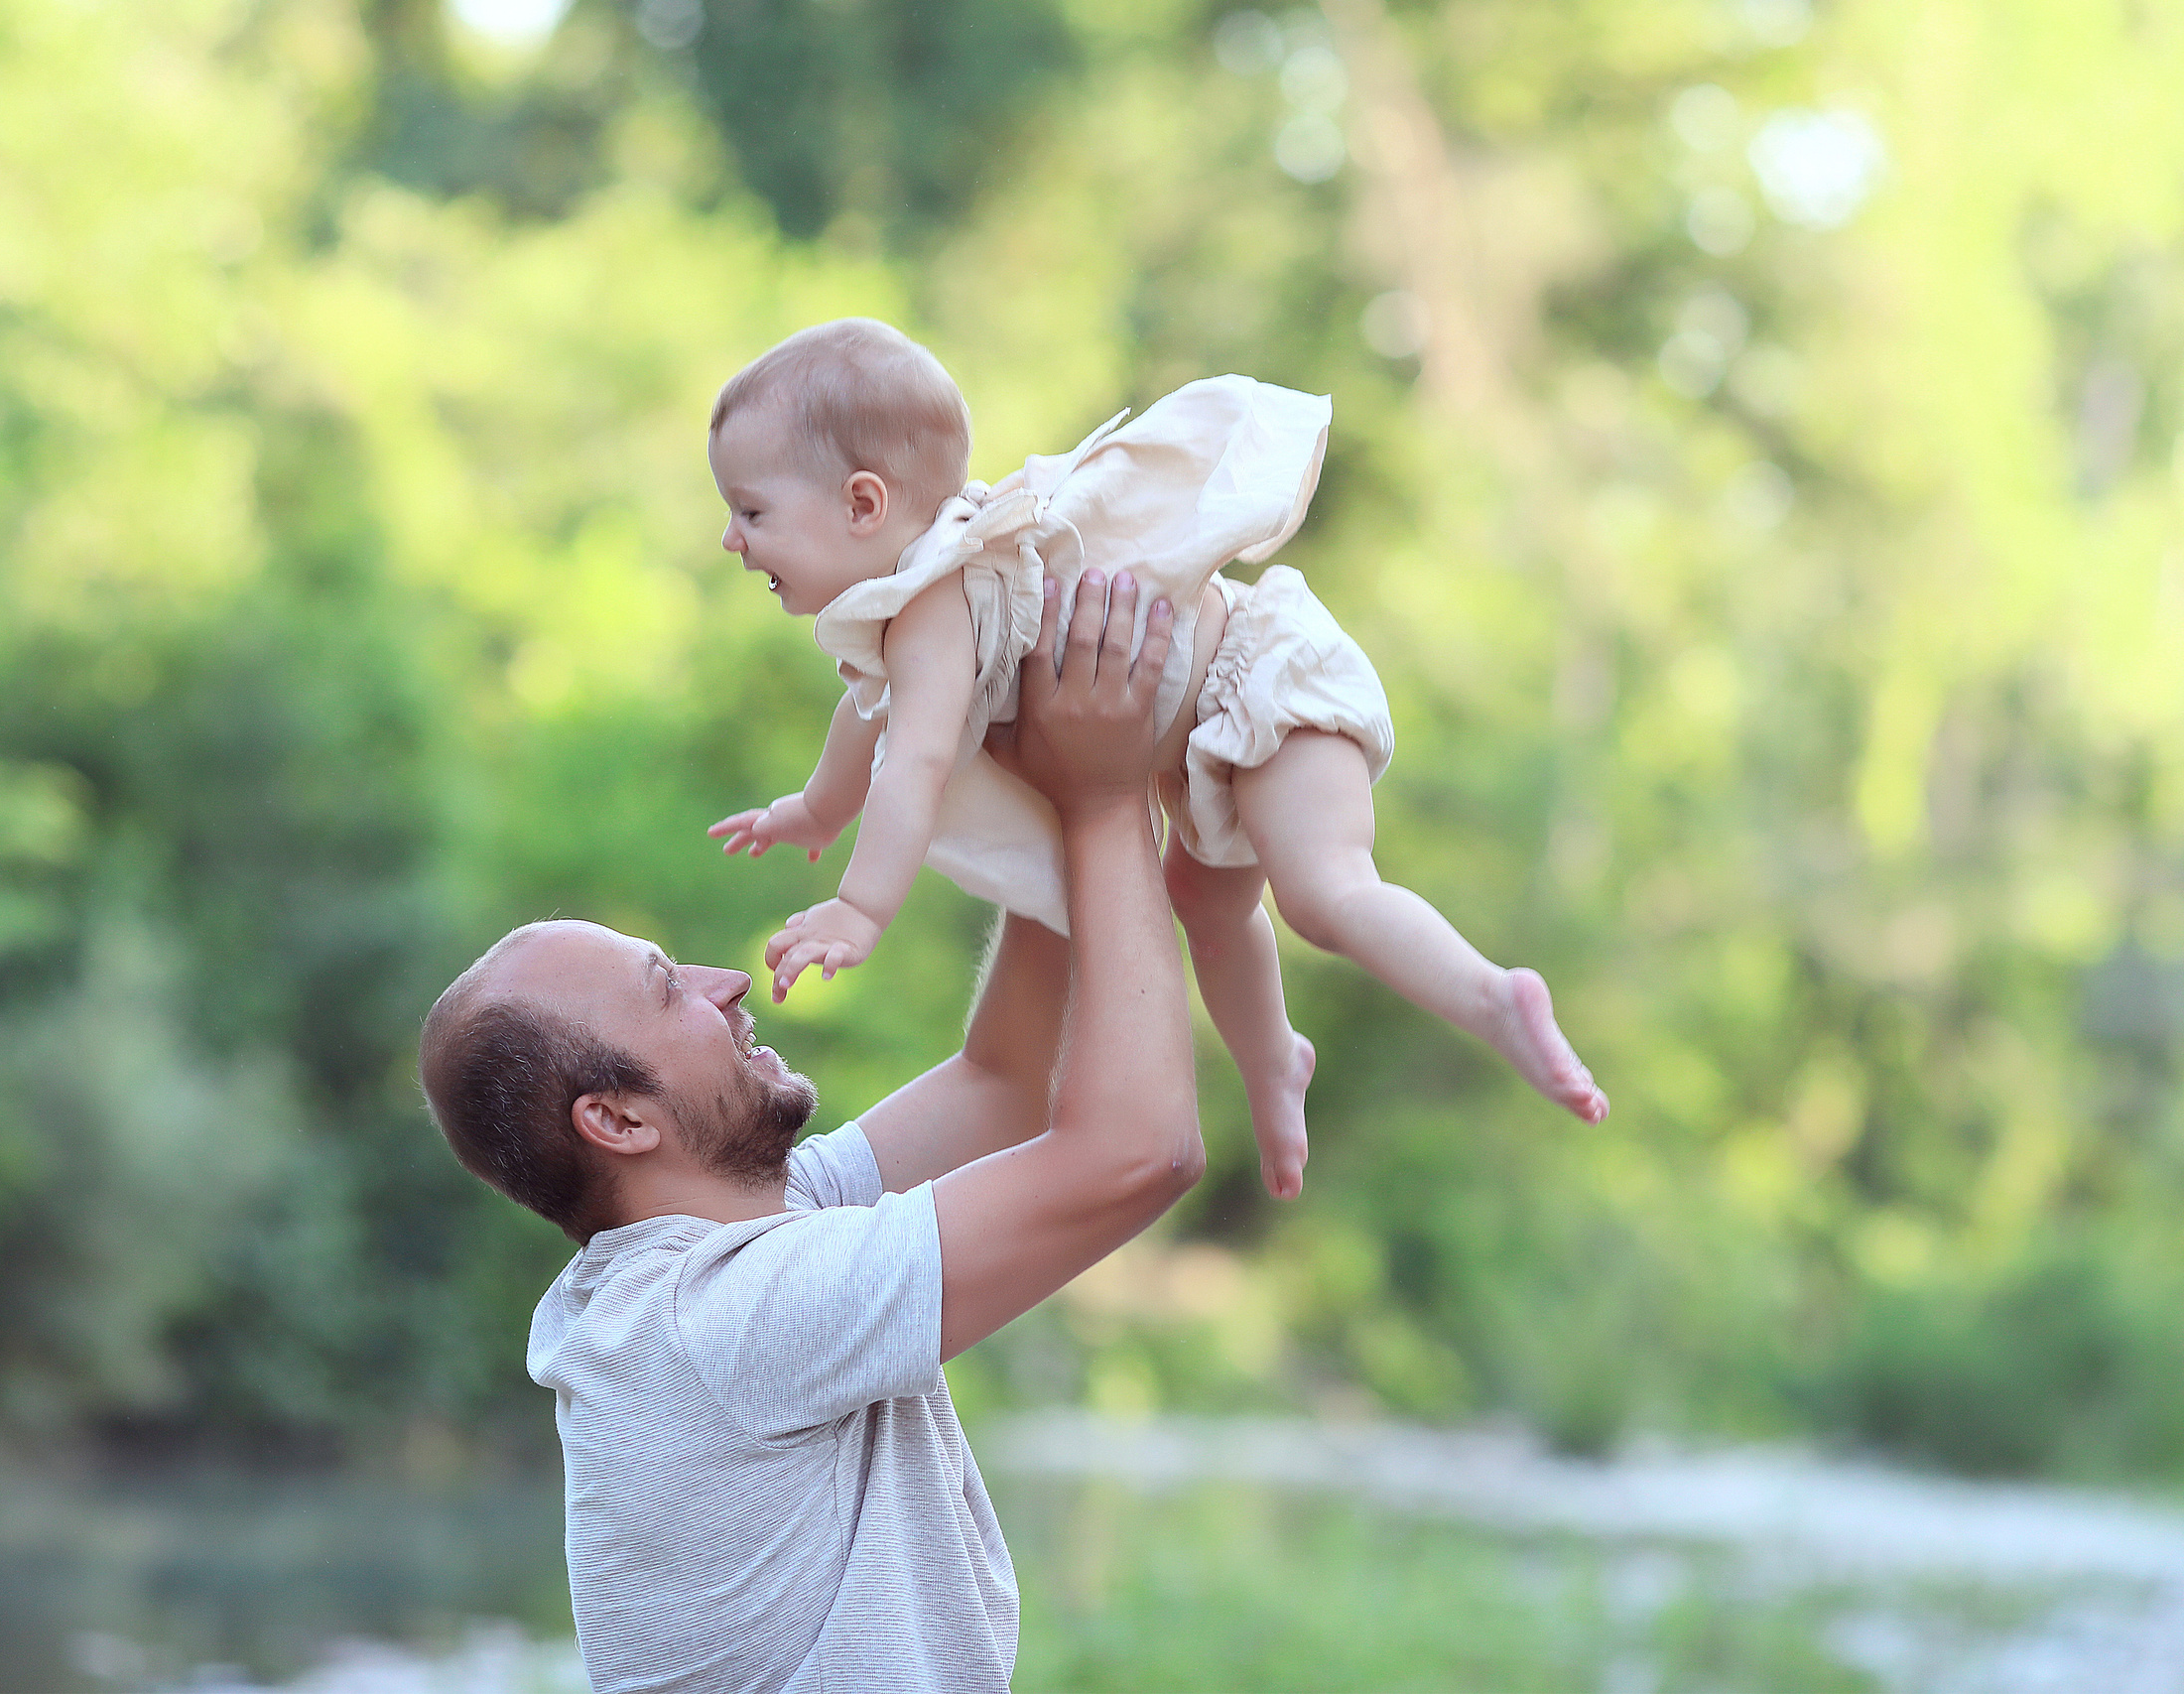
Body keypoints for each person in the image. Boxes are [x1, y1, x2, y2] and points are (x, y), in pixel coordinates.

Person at [421, 573, 1204, 1693]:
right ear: (617, 1119)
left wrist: (1027, 772)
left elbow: (1002, 1085)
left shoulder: (731, 1246)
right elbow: (1139, 1153)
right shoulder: (719, 1321)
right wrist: (1104, 802)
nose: (729, 983)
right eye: (668, 989)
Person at [705, 318, 1606, 1200]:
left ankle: (1495, 997)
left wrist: (860, 910)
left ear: (864, 504)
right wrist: (818, 810)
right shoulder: (911, 614)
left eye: (752, 510)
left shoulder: (936, 609)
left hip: (1258, 686)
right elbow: (868, 719)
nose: (732, 538)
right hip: (1201, 756)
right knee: (1207, 907)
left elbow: (915, 763)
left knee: (1325, 894)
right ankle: (1275, 1063)